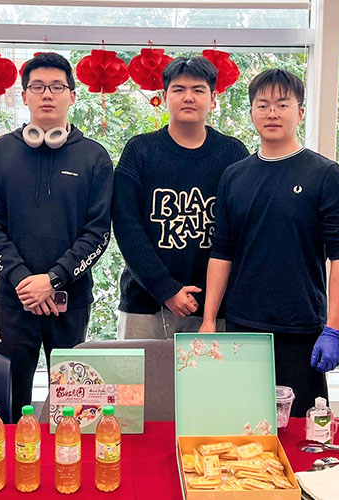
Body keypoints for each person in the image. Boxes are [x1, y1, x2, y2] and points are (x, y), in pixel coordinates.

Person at [200, 69, 339, 417]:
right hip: (242, 325)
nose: (272, 113)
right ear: (252, 112)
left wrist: (333, 328)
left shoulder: (325, 174)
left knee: (303, 433)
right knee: (241, 425)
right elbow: (221, 250)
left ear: (300, 112)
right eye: (263, 104)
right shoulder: (234, 176)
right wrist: (210, 318)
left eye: (282, 104)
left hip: (301, 327)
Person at [0, 52, 113, 420]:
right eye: (37, 87)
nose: (47, 94)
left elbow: (98, 232)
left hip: (69, 299)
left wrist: (53, 279)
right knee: (8, 403)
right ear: (24, 96)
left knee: (73, 407)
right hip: (13, 299)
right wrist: (25, 282)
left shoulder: (94, 157)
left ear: (72, 95)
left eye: (56, 86)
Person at [112, 56, 249, 339]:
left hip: (214, 310)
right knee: (141, 384)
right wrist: (165, 288)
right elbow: (126, 225)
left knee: (209, 385)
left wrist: (214, 302)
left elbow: (241, 231)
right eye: (178, 89)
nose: (189, 97)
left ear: (213, 99)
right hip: (145, 304)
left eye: (198, 90)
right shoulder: (140, 151)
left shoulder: (233, 154)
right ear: (165, 97)